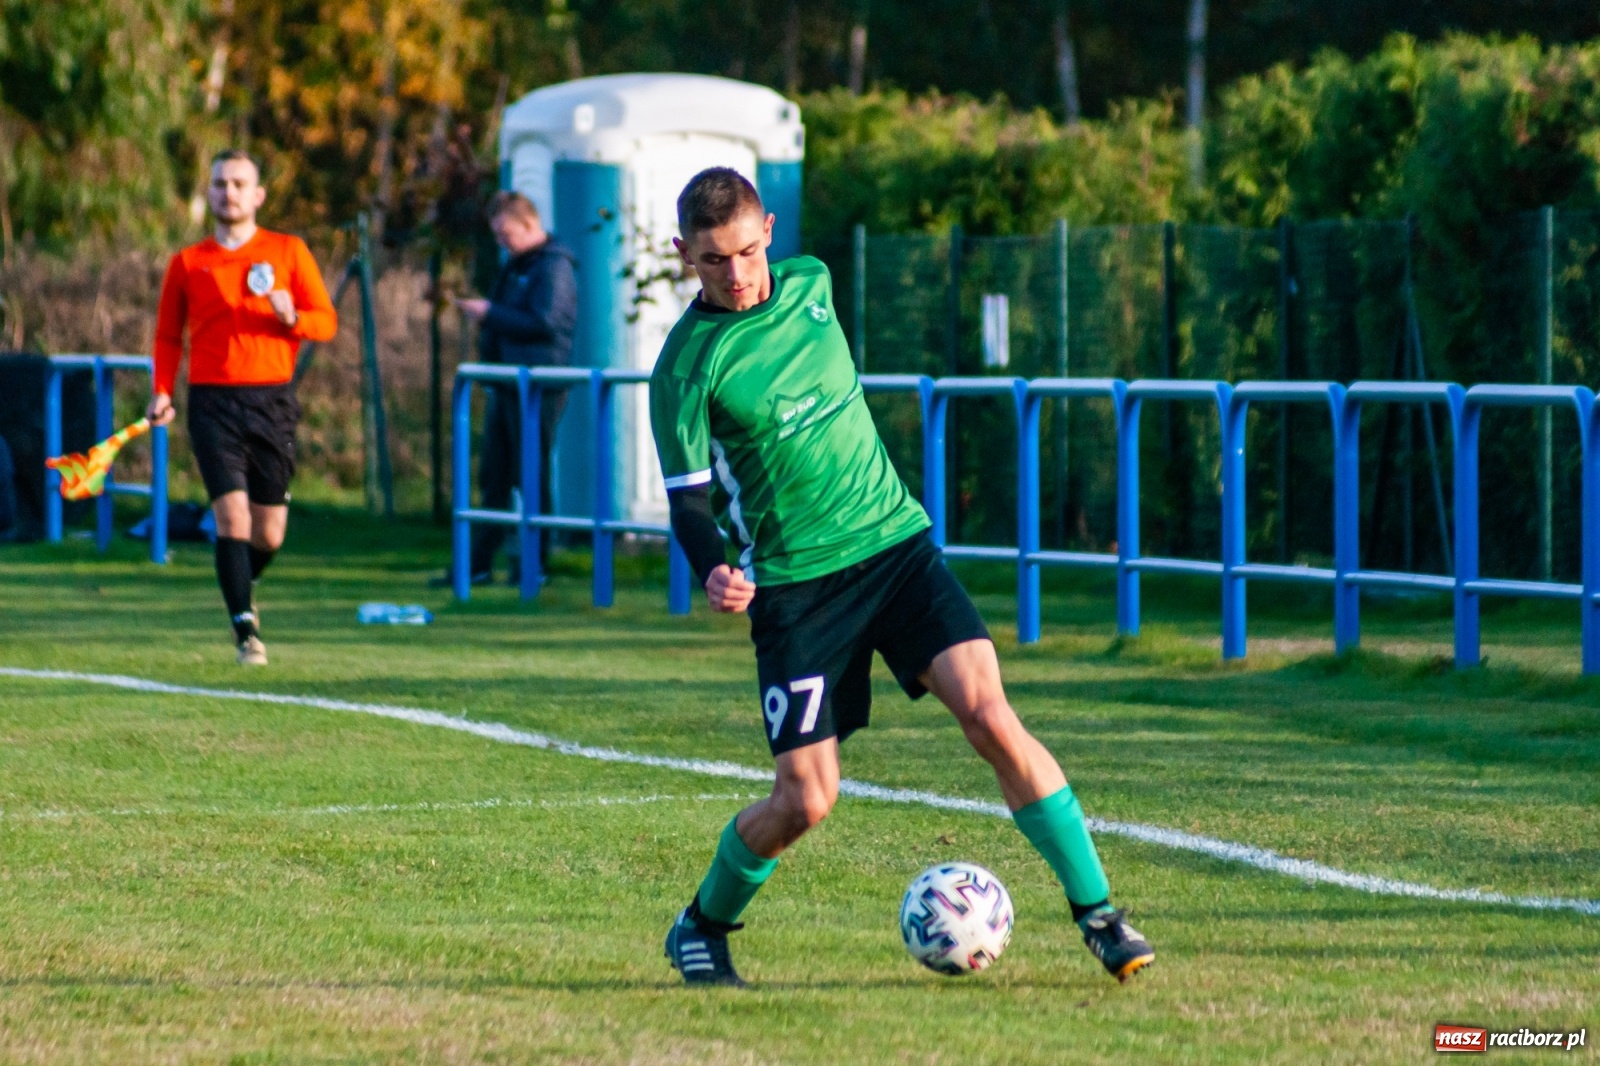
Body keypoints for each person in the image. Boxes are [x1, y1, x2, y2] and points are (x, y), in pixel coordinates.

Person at [652, 168, 1154, 987]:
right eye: (712, 260)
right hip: (797, 589)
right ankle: (701, 924)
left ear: (769, 231)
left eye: (745, 251)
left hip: (894, 548)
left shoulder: (812, 284)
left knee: (990, 716)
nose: (735, 274)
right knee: (806, 800)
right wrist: (713, 568)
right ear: (684, 254)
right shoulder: (685, 369)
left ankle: (1099, 916)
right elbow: (687, 503)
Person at [147, 149, 336, 665]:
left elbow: (326, 321)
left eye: (238, 184)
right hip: (212, 403)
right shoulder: (189, 262)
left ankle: (238, 586)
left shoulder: (288, 251)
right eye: (219, 183)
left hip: (272, 401)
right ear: (208, 192)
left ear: (258, 195)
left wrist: (292, 317)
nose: (228, 192)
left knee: (268, 532)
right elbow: (168, 335)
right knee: (232, 517)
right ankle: (245, 631)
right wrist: (162, 390)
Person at [443, 191, 577, 585]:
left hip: (537, 386)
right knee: (494, 476)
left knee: (530, 473)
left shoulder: (554, 268)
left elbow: (547, 323)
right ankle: (478, 565)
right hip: (506, 384)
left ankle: (535, 565)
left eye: (506, 234)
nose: (502, 243)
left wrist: (490, 314)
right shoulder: (517, 265)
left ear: (530, 224)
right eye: (498, 236)